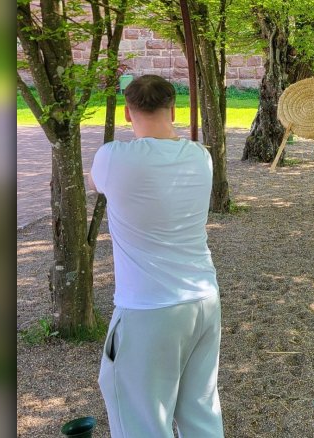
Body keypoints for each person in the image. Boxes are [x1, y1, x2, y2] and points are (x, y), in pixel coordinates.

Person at [90, 74, 225, 437]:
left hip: (149, 309)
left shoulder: (113, 158)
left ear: (127, 113)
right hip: (203, 301)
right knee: (200, 413)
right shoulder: (201, 157)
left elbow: (96, 183)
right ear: (173, 108)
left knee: (141, 421)